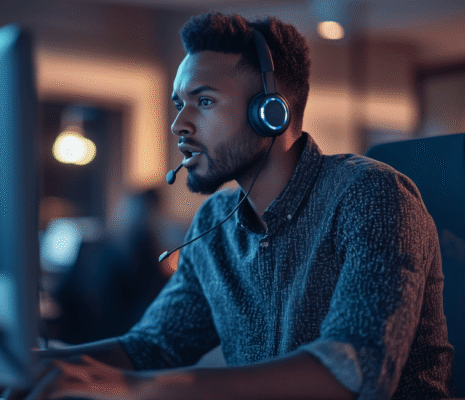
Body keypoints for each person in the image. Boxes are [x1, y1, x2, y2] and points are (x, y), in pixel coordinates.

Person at [37, 12, 454, 399]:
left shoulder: (370, 195)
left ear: (271, 113)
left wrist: (142, 389)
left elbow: (350, 370)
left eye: (203, 101)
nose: (179, 124)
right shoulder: (215, 224)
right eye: (179, 104)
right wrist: (30, 367)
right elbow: (153, 346)